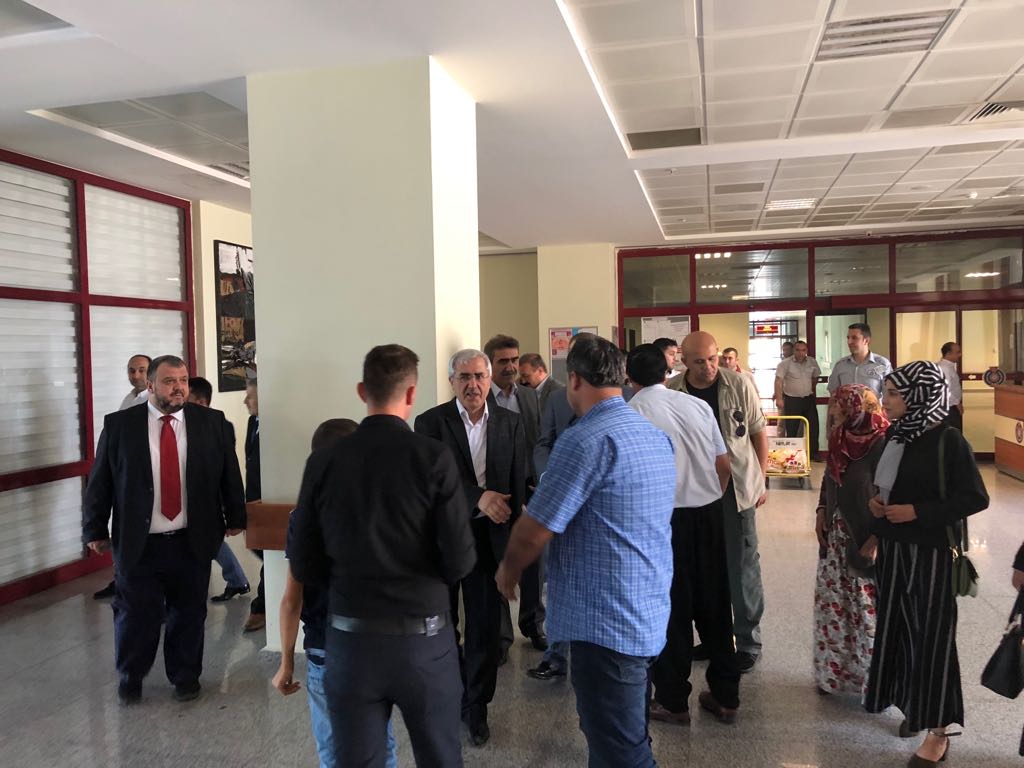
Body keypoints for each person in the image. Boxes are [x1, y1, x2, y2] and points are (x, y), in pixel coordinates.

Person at [289, 345, 476, 766]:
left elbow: (304, 564)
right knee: (440, 757)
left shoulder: (325, 461)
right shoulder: (433, 457)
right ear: (411, 394)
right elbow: (460, 561)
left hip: (350, 643)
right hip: (425, 643)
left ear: (362, 391)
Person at [496, 335, 676, 768]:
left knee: (620, 753)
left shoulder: (584, 440)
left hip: (605, 625)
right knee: (628, 734)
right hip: (647, 611)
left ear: (574, 380)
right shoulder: (652, 436)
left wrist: (508, 570)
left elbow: (535, 528)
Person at [82, 355, 246, 705]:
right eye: (170, 381)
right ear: (151, 385)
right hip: (140, 542)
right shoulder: (121, 425)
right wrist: (94, 528)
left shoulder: (211, 422)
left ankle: (185, 677)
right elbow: (101, 481)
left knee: (189, 612)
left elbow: (228, 473)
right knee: (136, 614)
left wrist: (236, 516)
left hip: (191, 539)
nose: (179, 388)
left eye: (183, 380)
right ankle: (131, 676)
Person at [865, 361, 989, 767]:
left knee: (932, 640)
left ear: (919, 396)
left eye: (894, 394)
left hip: (931, 555)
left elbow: (975, 498)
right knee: (900, 632)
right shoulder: (897, 435)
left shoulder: (948, 441)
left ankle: (939, 731)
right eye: (886, 392)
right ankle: (913, 707)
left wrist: (917, 511)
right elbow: (887, 486)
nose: (885, 400)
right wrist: (877, 504)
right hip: (895, 552)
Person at [414, 348, 527, 747]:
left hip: (489, 540)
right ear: (452, 381)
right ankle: (447, 699)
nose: (473, 385)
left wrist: (514, 552)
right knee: (442, 628)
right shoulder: (429, 423)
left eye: (480, 376)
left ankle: (476, 708)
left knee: (484, 630)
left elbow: (518, 483)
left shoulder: (511, 423)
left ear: (490, 379)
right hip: (443, 540)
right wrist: (478, 497)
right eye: (464, 377)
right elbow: (430, 482)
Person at [273, 417, 397, 768]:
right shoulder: (384, 511)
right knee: (381, 744)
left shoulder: (303, 518)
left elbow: (292, 599)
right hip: (375, 646)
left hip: (325, 647)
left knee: (331, 748)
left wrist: (286, 662)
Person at [626, 344, 739, 727]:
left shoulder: (634, 411)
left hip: (664, 518)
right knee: (715, 602)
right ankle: (726, 696)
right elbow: (723, 465)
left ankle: (673, 700)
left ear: (629, 377)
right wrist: (707, 496)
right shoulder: (697, 405)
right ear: (667, 371)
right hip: (709, 513)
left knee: (671, 608)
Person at [675, 331, 767, 672]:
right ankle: (715, 638)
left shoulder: (738, 384)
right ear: (684, 361)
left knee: (742, 566)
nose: (709, 367)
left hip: (736, 489)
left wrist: (760, 479)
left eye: (713, 359)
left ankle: (748, 641)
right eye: (699, 361)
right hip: (694, 491)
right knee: (703, 566)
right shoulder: (673, 391)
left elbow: (758, 432)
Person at [527, 331, 597, 682]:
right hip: (562, 502)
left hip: (601, 507)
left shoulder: (622, 397)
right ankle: (556, 654)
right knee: (557, 579)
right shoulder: (556, 400)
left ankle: (595, 649)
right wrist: (547, 477)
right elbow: (544, 443)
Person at [813, 384, 888, 697]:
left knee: (865, 610)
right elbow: (830, 477)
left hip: (864, 536)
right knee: (836, 606)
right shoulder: (839, 435)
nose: (833, 411)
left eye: (839, 406)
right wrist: (821, 509)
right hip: (837, 534)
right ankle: (834, 675)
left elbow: (890, 494)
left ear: (857, 408)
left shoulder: (883, 442)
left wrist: (876, 537)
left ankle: (872, 681)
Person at [483, 334, 546, 655]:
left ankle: (534, 624)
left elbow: (538, 441)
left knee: (533, 561)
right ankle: (501, 637)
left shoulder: (530, 396)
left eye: (514, 360)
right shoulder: (481, 398)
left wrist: (538, 479)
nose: (510, 367)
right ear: (490, 364)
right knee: (497, 561)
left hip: (529, 490)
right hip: (497, 493)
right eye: (503, 361)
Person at [94, 353, 155, 600]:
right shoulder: (129, 399)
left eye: (141, 370)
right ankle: (120, 579)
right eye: (131, 370)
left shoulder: (152, 400)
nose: (136, 375)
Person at [186, 376, 251, 603]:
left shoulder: (220, 425)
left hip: (210, 499)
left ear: (201, 402)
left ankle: (236, 579)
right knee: (211, 542)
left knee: (211, 542)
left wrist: (231, 509)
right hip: (194, 501)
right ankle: (237, 580)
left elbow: (227, 469)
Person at [243, 379, 266, 632]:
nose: (245, 401)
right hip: (254, 499)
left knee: (268, 554)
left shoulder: (273, 426)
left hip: (268, 499)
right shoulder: (253, 422)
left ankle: (261, 606)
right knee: (259, 549)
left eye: (251, 396)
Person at [774, 340, 822, 460]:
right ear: (793, 350)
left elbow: (815, 377)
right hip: (792, 400)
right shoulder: (785, 364)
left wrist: (809, 388)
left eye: (803, 350)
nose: (801, 353)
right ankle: (792, 454)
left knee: (813, 427)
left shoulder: (812, 362)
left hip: (808, 399)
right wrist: (779, 398)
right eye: (798, 350)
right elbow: (778, 381)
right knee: (792, 428)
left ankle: (813, 454)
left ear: (806, 351)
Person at [827, 323, 892, 399]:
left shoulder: (882, 364)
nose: (849, 342)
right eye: (848, 338)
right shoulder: (840, 365)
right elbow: (833, 393)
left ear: (866, 341)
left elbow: (889, 394)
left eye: (854, 338)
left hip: (873, 406)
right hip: (847, 407)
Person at [519, 352, 564, 416]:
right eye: (521, 376)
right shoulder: (525, 390)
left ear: (540, 371)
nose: (523, 381)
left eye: (526, 376)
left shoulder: (559, 391)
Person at [937, 342, 963, 431]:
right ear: (948, 353)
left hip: (951, 407)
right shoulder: (944, 368)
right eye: (957, 352)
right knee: (952, 434)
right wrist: (957, 403)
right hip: (949, 408)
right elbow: (945, 389)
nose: (960, 355)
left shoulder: (949, 366)